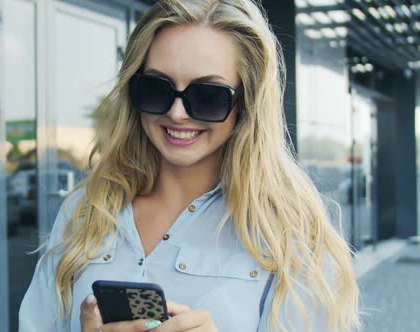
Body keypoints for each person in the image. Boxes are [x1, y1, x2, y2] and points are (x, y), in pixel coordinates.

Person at [19, 0, 360, 331]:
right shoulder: (83, 211)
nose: (177, 113)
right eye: (156, 88)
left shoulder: (291, 232)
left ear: (246, 102)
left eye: (207, 95)